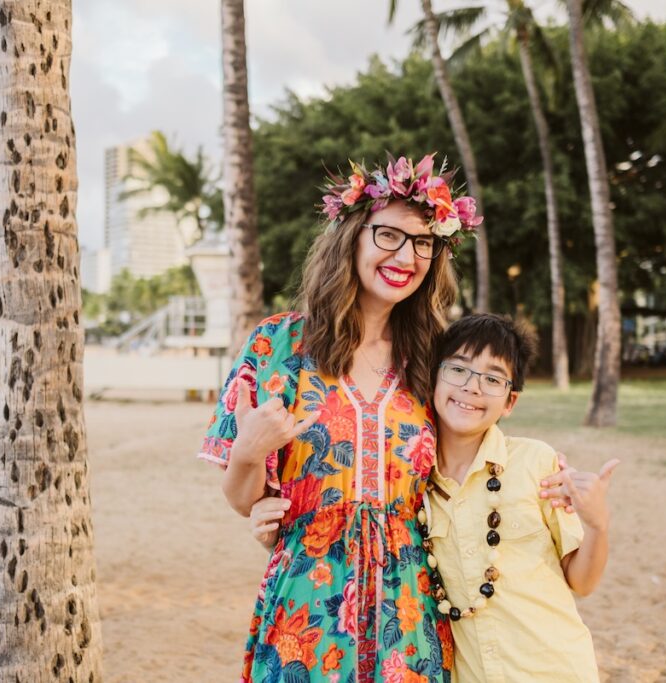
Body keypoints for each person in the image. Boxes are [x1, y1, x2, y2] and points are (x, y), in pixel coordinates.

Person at [198, 153, 483, 682]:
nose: (408, 255)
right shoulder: (277, 344)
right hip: (308, 597)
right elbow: (244, 501)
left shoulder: (436, 358)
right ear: (351, 235)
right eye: (390, 236)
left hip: (411, 604)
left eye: (424, 243)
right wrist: (249, 449)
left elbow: (470, 465)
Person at [423, 313, 617, 682]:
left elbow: (583, 582)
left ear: (510, 402)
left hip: (555, 670)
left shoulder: (537, 463)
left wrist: (597, 524)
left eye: (492, 378)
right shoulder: (412, 481)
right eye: (458, 369)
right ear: (434, 376)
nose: (472, 387)